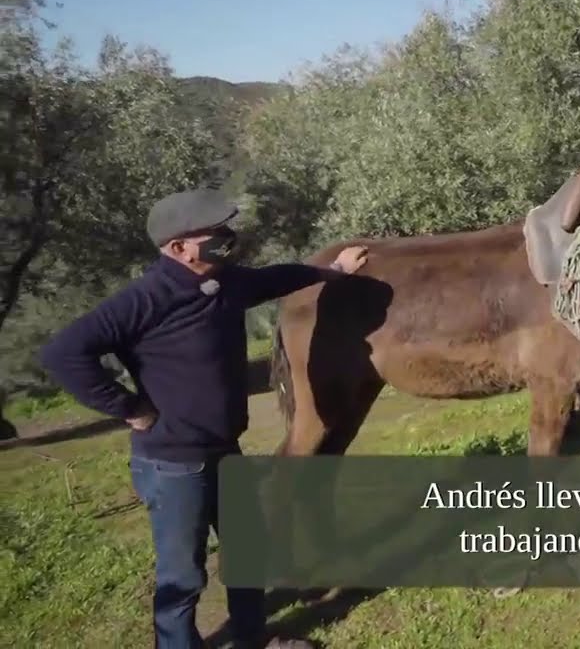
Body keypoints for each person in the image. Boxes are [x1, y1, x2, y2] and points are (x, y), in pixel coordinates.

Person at [39, 188, 369, 649]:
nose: (226, 237)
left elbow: (276, 278)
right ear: (178, 248)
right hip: (174, 463)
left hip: (224, 450)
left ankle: (253, 640)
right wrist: (130, 408)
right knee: (183, 576)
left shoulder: (226, 282)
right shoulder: (144, 299)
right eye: (213, 232)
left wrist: (331, 272)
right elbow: (63, 354)